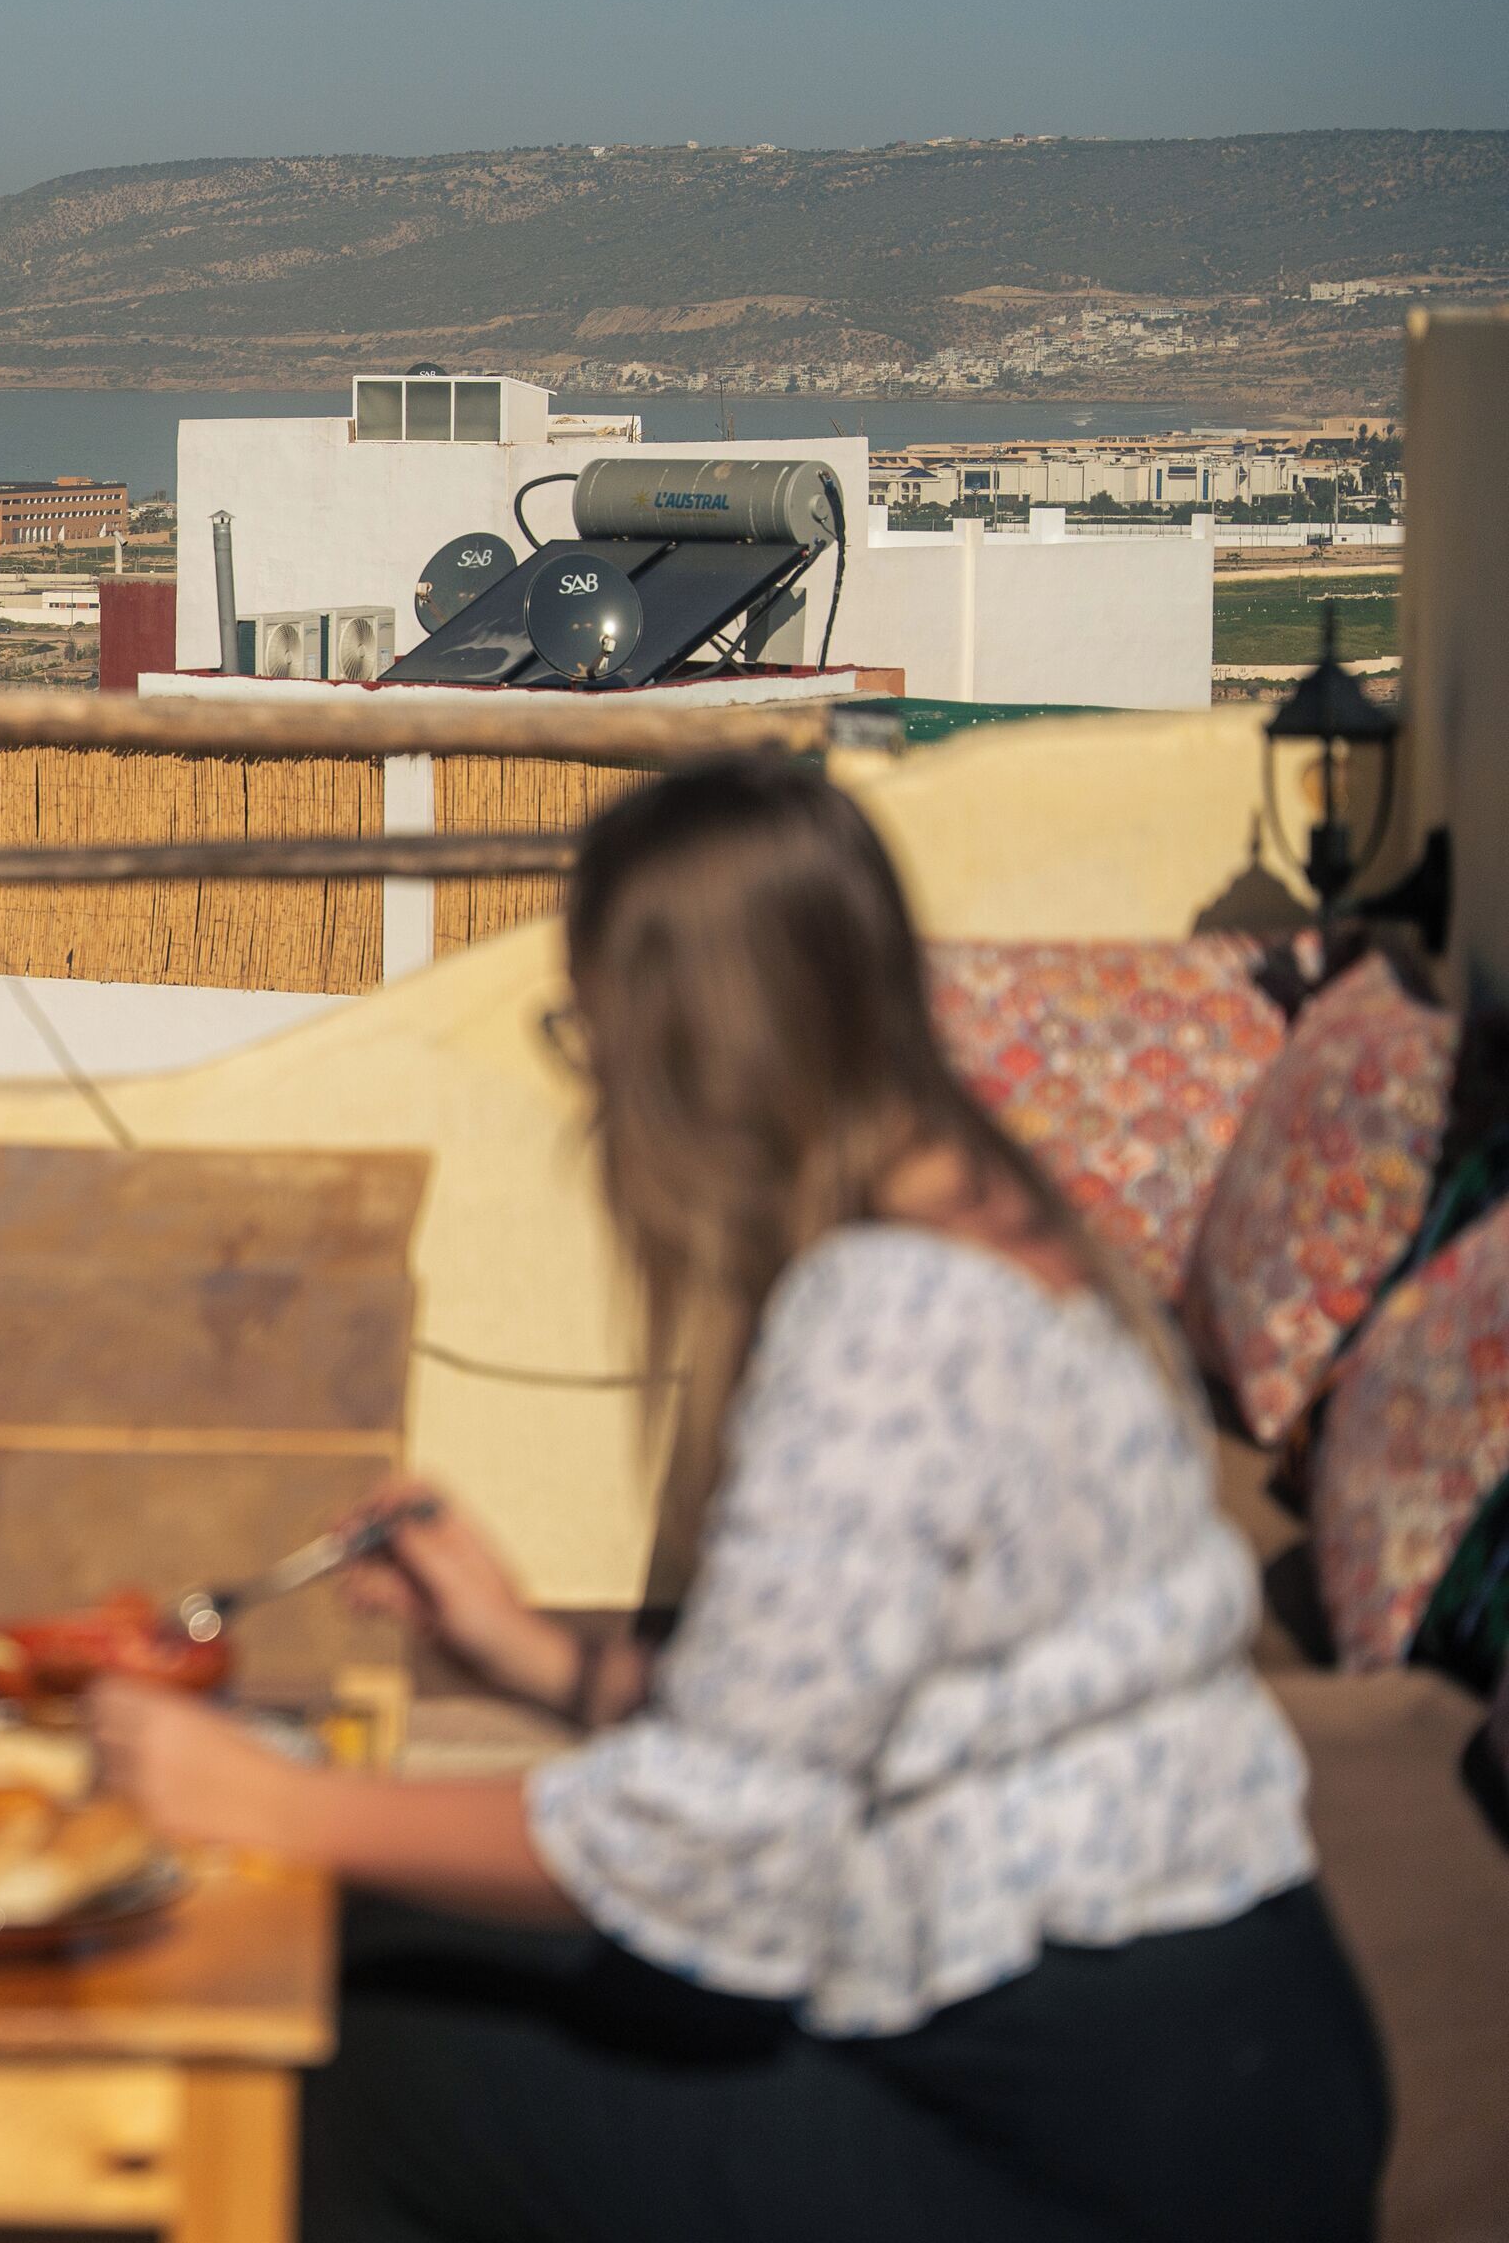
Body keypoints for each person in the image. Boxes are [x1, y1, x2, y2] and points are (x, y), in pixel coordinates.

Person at [90, 754, 1389, 2243]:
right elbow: (830, 1723)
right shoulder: (1012, 1227)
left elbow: (705, 1854)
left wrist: (278, 1806)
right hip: (1239, 2070)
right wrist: (537, 1658)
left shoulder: (882, 1324)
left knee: (356, 2056)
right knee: (394, 1947)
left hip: (1086, 2144)